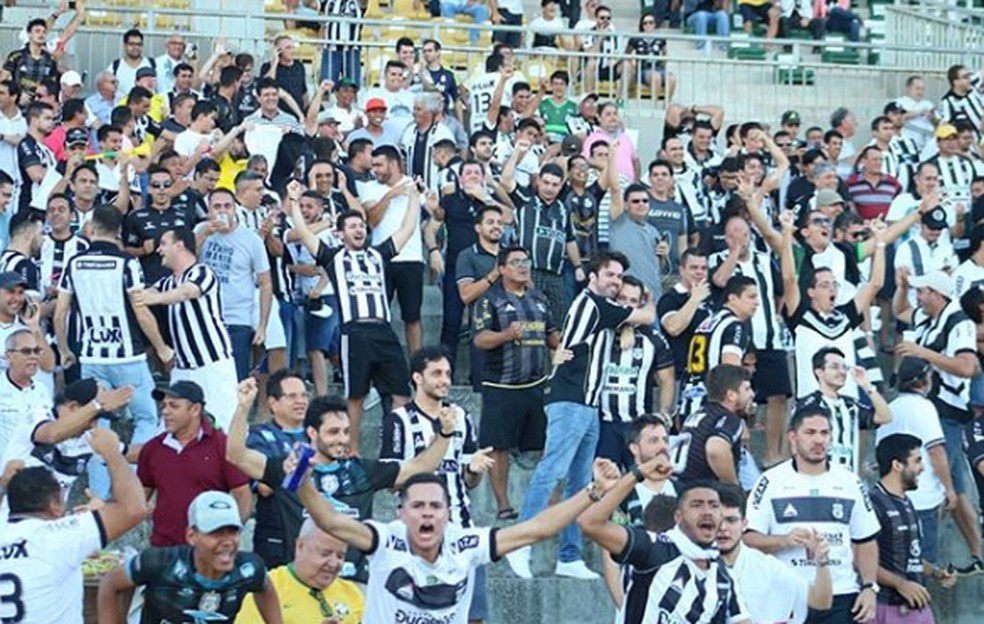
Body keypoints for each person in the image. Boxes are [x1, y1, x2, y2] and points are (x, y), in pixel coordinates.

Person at [292, 455, 621, 624]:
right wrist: (303, 482)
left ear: (448, 514)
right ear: (401, 512)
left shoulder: (465, 544)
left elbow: (537, 530)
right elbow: (329, 520)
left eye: (436, 506)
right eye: (417, 506)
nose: (427, 514)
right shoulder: (385, 539)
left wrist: (593, 492)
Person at [508, 251, 654, 580]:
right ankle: (519, 545)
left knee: (580, 483)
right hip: (569, 401)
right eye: (611, 275)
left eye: (619, 276)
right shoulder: (595, 304)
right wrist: (649, 301)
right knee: (551, 472)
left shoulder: (603, 311)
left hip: (588, 406)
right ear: (593, 277)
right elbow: (645, 315)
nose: (615, 281)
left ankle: (569, 556)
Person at [227, 377, 458, 585]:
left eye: (346, 432)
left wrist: (445, 434)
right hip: (302, 584)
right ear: (312, 433)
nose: (342, 439)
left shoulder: (362, 471)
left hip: (354, 586)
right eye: (334, 432)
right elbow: (236, 455)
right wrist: (243, 408)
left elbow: (420, 467)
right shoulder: (292, 468)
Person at [286, 179, 417, 456]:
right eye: (353, 226)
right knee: (355, 395)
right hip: (354, 333)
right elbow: (305, 235)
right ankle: (353, 451)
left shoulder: (379, 255)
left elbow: (406, 229)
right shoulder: (333, 257)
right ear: (340, 232)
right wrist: (295, 202)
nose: (359, 229)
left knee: (401, 394)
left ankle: (396, 448)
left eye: (362, 226)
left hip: (384, 330)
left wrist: (414, 197)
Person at [53, 205, 170, 498]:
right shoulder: (127, 263)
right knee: (146, 418)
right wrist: (162, 348)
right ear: (119, 230)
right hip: (128, 355)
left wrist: (66, 350)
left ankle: (99, 494)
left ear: (91, 226)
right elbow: (141, 312)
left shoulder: (74, 263)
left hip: (91, 357)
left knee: (97, 419)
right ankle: (128, 485)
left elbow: (60, 314)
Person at [379, 346, 496, 623]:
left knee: (473, 616)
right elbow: (391, 484)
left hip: (461, 530)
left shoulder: (462, 416)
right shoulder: (398, 421)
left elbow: (469, 481)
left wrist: (474, 471)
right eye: (437, 373)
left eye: (447, 374)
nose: (445, 380)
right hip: (418, 535)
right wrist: (432, 454)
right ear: (417, 378)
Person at [745, 406, 881, 623]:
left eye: (824, 433)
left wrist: (869, 587)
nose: (818, 440)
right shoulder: (770, 481)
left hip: (841, 594)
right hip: (787, 594)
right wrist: (783, 541)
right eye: (810, 433)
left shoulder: (850, 482)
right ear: (792, 436)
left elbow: (865, 540)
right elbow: (748, 539)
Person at [0, 425, 146, 624]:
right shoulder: (59, 537)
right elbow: (134, 508)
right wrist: (112, 452)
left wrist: (3, 485)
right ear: (54, 505)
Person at [894, 269, 984, 573]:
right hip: (928, 408)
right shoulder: (927, 316)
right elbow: (899, 311)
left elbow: (967, 366)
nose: (918, 297)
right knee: (949, 484)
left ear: (938, 294)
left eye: (922, 291)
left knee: (955, 484)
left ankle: (978, 553)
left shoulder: (959, 322)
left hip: (947, 411)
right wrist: (902, 286)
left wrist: (922, 352)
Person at [579, 466, 751, 624]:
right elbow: (589, 523)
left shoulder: (724, 578)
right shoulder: (655, 548)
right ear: (678, 516)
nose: (707, 512)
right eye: (697, 505)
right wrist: (637, 474)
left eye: (714, 506)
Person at [97, 490, 284, 623]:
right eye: (216, 533)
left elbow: (265, 587)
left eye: (233, 531)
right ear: (191, 536)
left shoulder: (249, 568)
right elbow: (111, 583)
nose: (227, 541)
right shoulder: (160, 563)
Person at [472, 245, 558, 520]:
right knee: (498, 447)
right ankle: (503, 506)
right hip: (501, 386)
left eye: (526, 260)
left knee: (545, 445)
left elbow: (553, 337)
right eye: (516, 261)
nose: (524, 266)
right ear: (502, 269)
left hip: (536, 385)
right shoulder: (489, 300)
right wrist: (506, 335)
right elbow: (479, 339)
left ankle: (551, 505)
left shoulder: (539, 298)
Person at [129, 227, 239, 430]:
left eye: (163, 244)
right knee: (170, 427)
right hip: (182, 369)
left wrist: (154, 298)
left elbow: (187, 292)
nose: (159, 250)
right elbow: (145, 294)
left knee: (224, 427)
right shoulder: (168, 282)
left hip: (212, 366)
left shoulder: (202, 272)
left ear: (179, 246)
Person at [137, 380, 251, 547]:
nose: (165, 412)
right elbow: (139, 498)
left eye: (173, 406)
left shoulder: (221, 444)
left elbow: (242, 494)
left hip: (208, 550)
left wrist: (230, 535)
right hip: (163, 547)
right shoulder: (153, 448)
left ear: (195, 409)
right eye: (164, 406)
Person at [716, 483, 835, 623]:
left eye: (731, 520)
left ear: (744, 524)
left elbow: (821, 602)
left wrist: (821, 562)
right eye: (717, 520)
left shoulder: (765, 566)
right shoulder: (689, 565)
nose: (723, 528)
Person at [872, 433, 959, 623]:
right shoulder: (873, 503)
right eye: (917, 461)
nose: (923, 468)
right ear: (897, 465)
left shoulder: (906, 502)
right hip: (888, 609)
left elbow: (911, 556)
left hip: (918, 610)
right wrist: (900, 584)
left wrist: (937, 573)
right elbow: (860, 560)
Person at [591, 276, 675, 468]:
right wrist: (625, 325)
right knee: (604, 485)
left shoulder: (653, 338)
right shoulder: (599, 331)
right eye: (622, 299)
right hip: (602, 424)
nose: (627, 306)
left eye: (633, 301)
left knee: (641, 483)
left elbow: (667, 379)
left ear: (640, 305)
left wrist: (662, 413)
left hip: (638, 426)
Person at [879, 357, 955, 566]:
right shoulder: (924, 407)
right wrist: (949, 489)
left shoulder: (889, 407)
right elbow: (936, 451)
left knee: (895, 562)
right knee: (922, 563)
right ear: (923, 381)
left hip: (891, 499)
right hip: (922, 498)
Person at [235, 518, 365, 623]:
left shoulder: (352, 592)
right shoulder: (268, 590)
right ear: (300, 546)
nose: (333, 563)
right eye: (325, 553)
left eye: (340, 556)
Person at [795, 346, 891, 473]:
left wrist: (866, 385)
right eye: (834, 367)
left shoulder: (850, 405)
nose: (841, 372)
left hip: (847, 479)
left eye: (844, 368)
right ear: (819, 372)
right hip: (819, 479)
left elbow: (885, 417)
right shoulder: (808, 405)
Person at [677, 275, 758, 418]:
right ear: (732, 298)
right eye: (751, 297)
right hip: (713, 407)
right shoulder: (735, 325)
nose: (757, 303)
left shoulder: (708, 321)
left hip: (689, 401)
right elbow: (730, 370)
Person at [675, 364, 754, 489]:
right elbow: (715, 450)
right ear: (731, 395)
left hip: (680, 485)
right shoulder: (729, 419)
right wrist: (733, 488)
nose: (752, 394)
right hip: (700, 493)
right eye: (747, 389)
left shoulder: (699, 414)